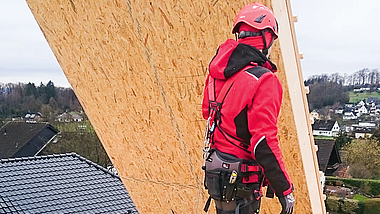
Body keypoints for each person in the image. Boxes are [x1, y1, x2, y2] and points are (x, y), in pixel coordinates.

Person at [201, 3, 295, 214]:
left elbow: (208, 114)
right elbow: (263, 142)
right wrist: (285, 189)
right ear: (267, 38)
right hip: (241, 181)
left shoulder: (217, 73)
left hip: (218, 174)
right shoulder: (264, 80)